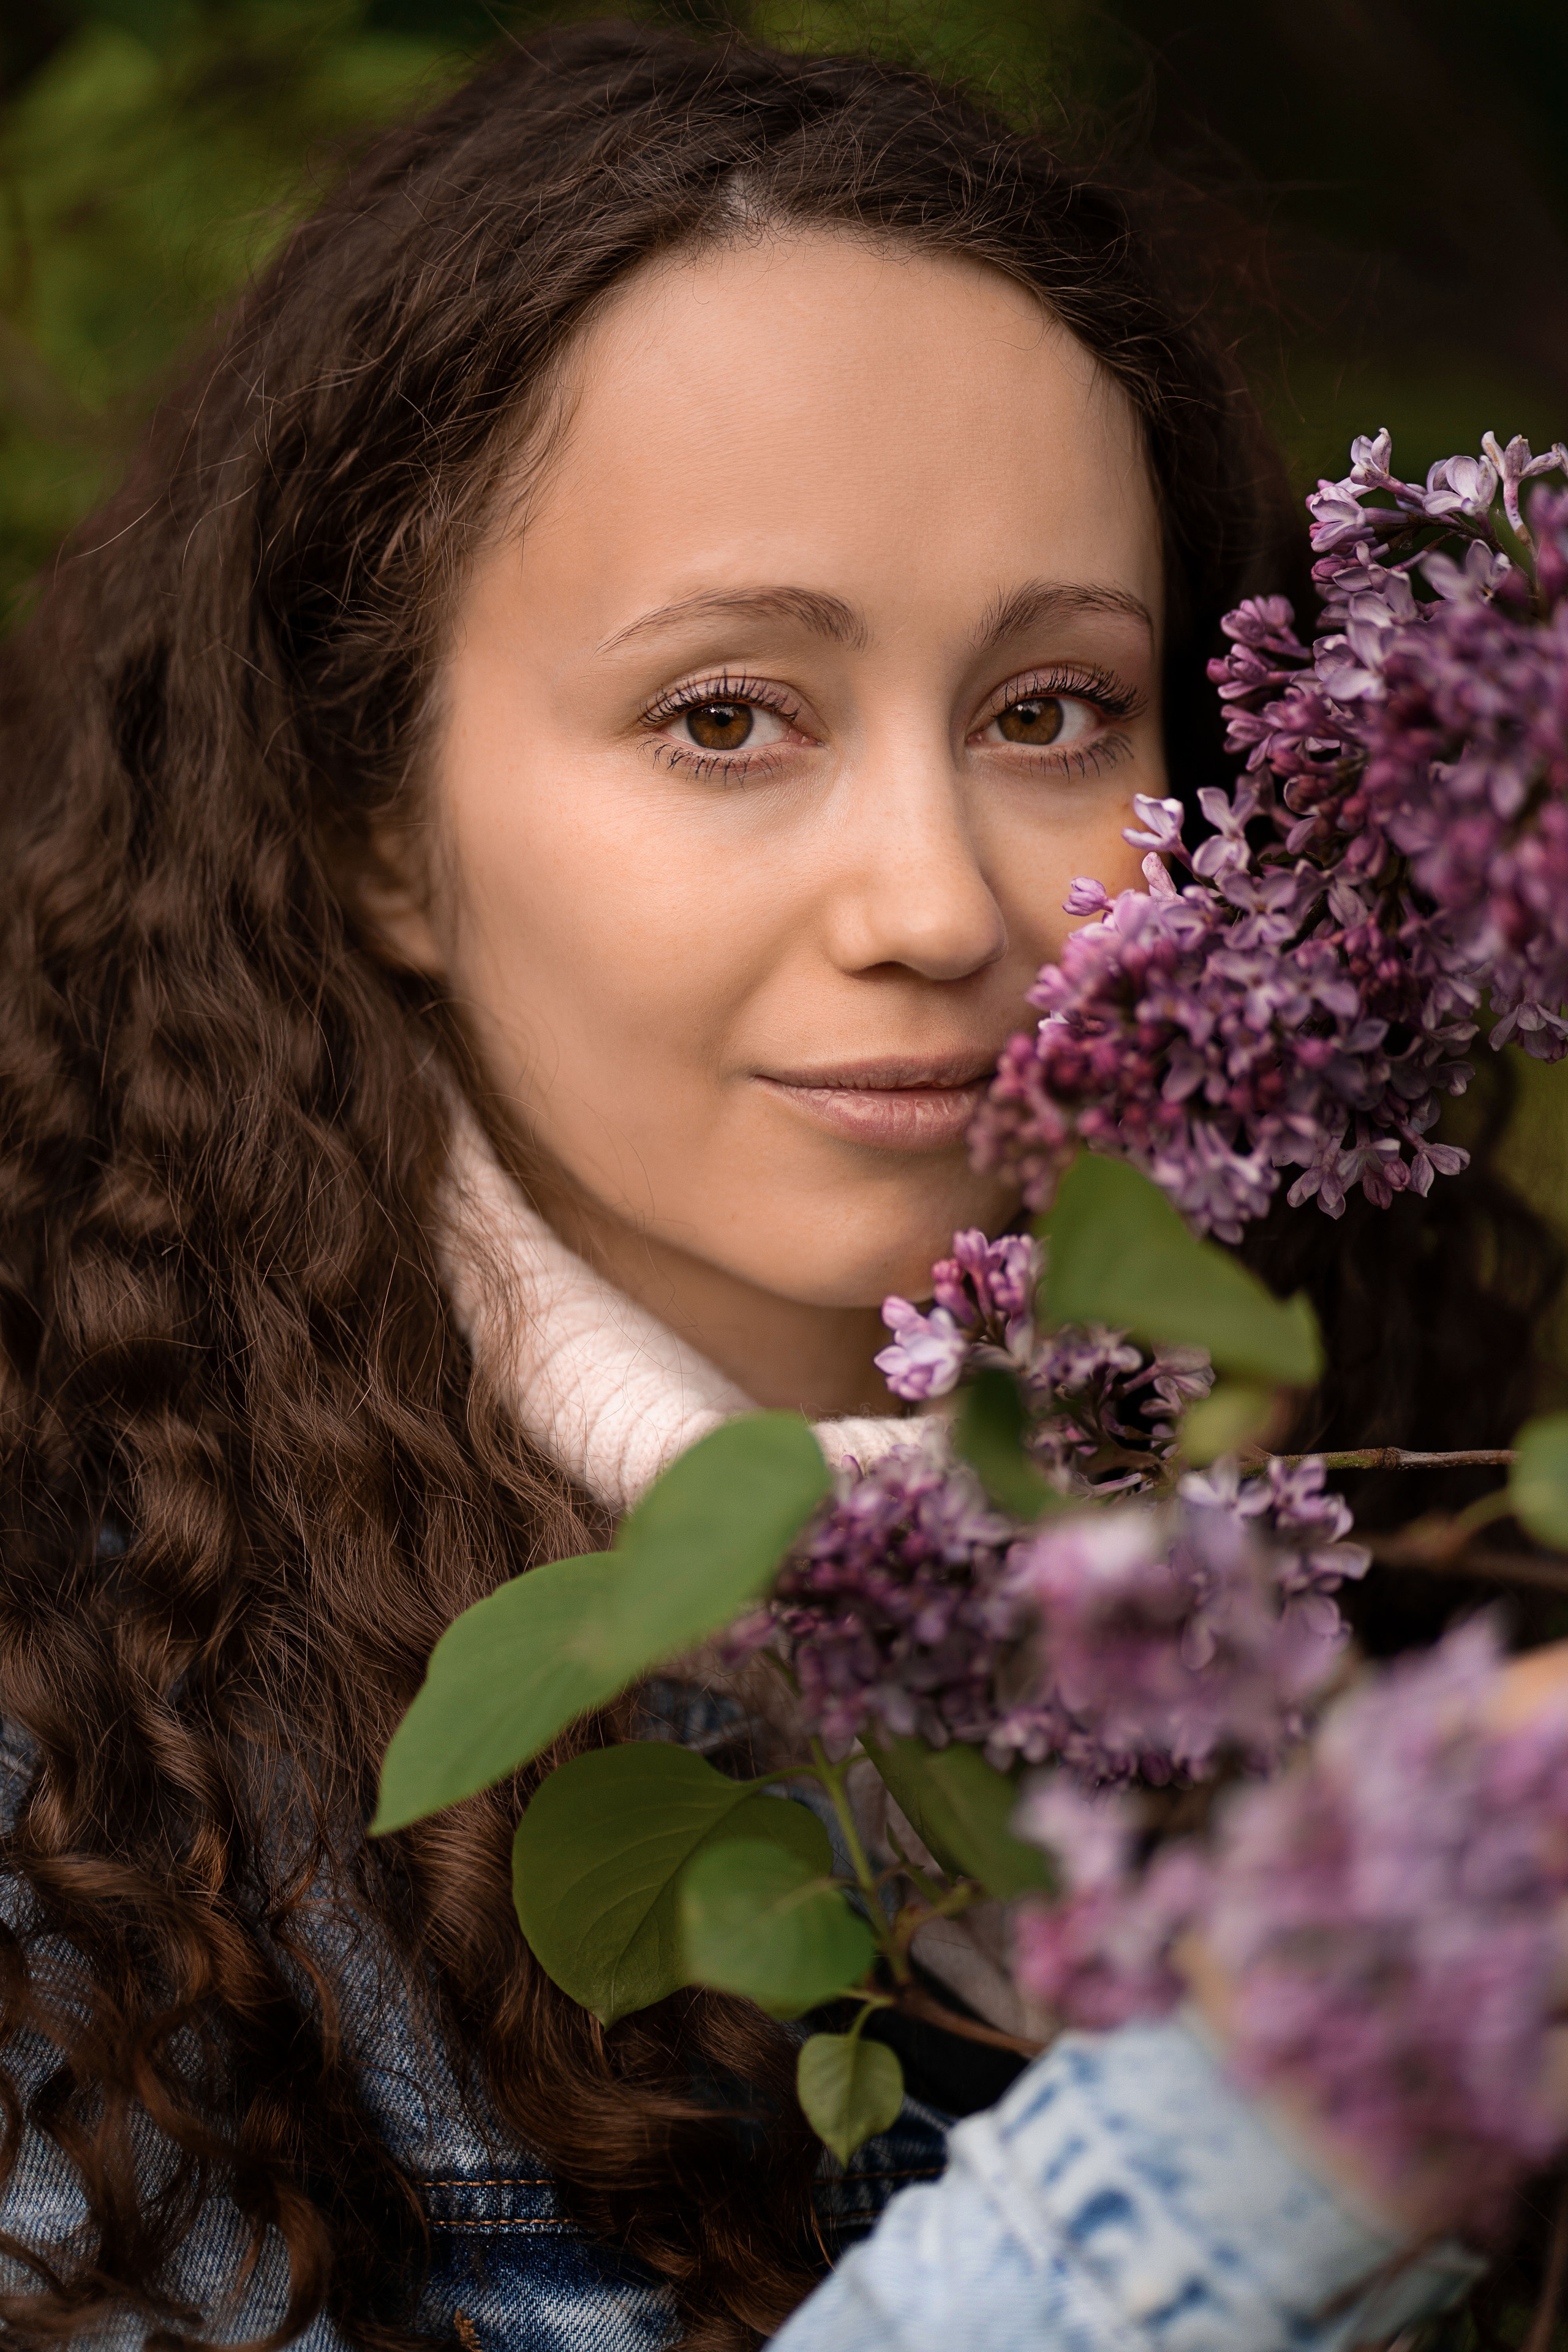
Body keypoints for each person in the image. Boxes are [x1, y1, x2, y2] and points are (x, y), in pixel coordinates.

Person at [0, 21, 1561, 2350]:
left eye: (1055, 712)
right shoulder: (87, 1787)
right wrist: (1289, 2117)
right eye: (726, 713)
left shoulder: (1391, 1536)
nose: (937, 904)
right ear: (373, 823)